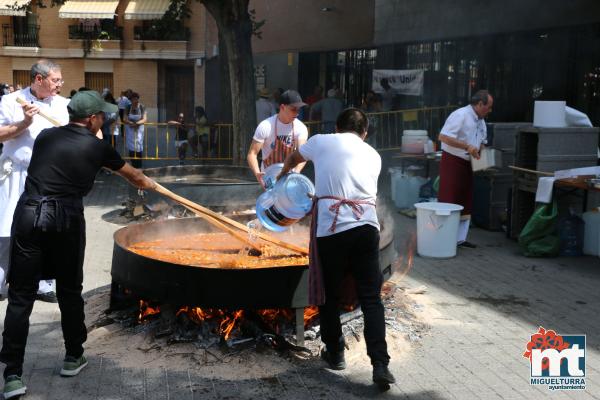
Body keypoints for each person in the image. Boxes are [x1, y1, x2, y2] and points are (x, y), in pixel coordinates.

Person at [0, 90, 156, 399]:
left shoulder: (46, 136)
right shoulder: (99, 148)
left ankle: (12, 375)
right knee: (70, 291)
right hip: (66, 221)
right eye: (103, 116)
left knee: (20, 296)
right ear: (93, 119)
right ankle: (73, 356)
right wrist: (149, 183)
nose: (106, 120)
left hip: (29, 215)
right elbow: (134, 177)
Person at [277, 108, 395, 389]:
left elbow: (294, 157)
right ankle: (380, 364)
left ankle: (336, 352)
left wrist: (283, 176)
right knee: (371, 299)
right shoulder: (374, 155)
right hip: (367, 229)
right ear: (364, 133)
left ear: (337, 128)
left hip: (332, 230)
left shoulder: (321, 141)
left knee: (327, 294)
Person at [0, 59, 70, 303]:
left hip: (50, 179)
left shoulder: (64, 104)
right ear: (38, 79)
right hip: (15, 174)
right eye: (55, 80)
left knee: (46, 230)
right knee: (6, 229)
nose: (60, 84)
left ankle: (43, 283)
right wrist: (24, 123)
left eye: (60, 79)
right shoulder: (10, 100)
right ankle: (0, 281)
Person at [438, 90, 493, 248]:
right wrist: (467, 146)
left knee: (465, 200)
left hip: (469, 163)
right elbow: (444, 137)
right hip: (452, 161)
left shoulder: (481, 121)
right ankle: (443, 238)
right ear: (480, 104)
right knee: (449, 199)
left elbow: (482, 141)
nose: (490, 111)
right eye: (488, 107)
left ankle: (460, 239)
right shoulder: (460, 115)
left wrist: (483, 156)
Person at [247, 90, 308, 189]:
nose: (297, 113)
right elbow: (252, 154)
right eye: (293, 109)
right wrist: (257, 173)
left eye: (298, 110)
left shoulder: (301, 128)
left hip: (290, 178)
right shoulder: (266, 126)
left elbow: (302, 154)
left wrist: (296, 172)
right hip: (269, 178)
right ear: (282, 107)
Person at [123, 92, 146, 168]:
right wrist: (131, 123)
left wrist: (137, 124)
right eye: (133, 99)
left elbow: (145, 119)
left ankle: (139, 166)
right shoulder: (128, 107)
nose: (135, 100)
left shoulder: (142, 106)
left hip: (139, 130)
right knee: (131, 147)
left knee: (139, 146)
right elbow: (124, 119)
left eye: (136, 98)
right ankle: (133, 164)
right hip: (130, 130)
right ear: (130, 100)